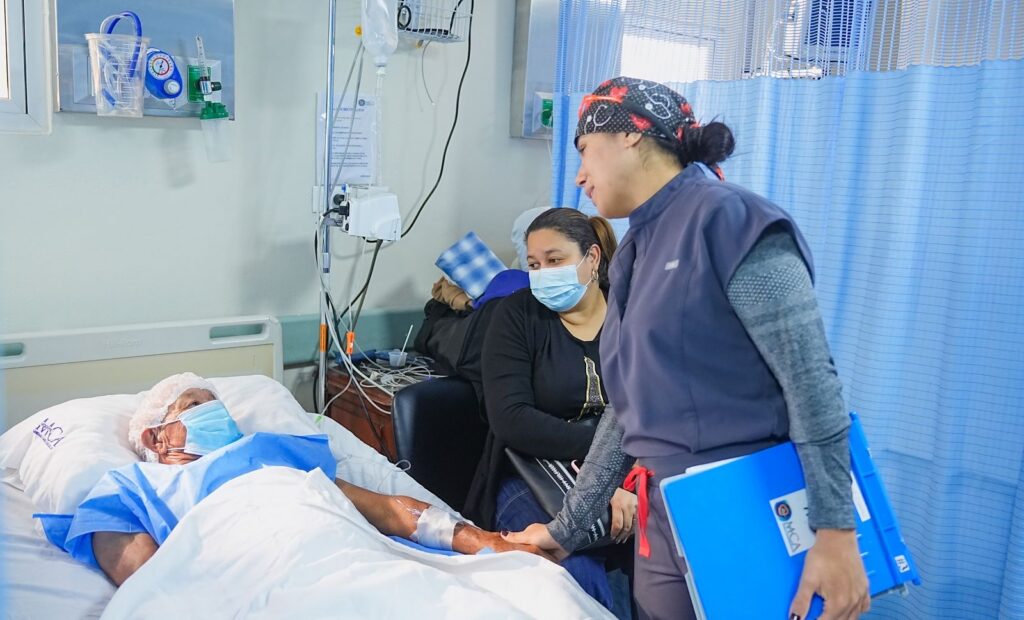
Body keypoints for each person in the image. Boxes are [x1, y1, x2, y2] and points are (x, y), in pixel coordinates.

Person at [503, 76, 871, 620]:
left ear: (630, 134)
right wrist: (567, 529)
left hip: (746, 502)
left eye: (584, 150)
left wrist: (836, 531)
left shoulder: (732, 222)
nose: (578, 175)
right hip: (665, 514)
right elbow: (627, 412)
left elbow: (811, 383)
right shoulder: (633, 252)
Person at [37, 373, 549, 586]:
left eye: (218, 406)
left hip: (349, 561)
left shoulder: (270, 451)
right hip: (254, 577)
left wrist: (485, 541)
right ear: (157, 436)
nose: (219, 415)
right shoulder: (130, 488)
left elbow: (390, 510)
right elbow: (149, 583)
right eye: (196, 406)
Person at [463, 208, 637, 611]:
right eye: (534, 265)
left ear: (592, 259)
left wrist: (622, 476)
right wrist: (607, 461)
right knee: (573, 575)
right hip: (532, 473)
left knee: (670, 556)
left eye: (555, 260)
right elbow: (512, 420)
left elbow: (659, 406)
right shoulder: (516, 315)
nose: (542, 273)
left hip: (630, 470)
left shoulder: (631, 315)